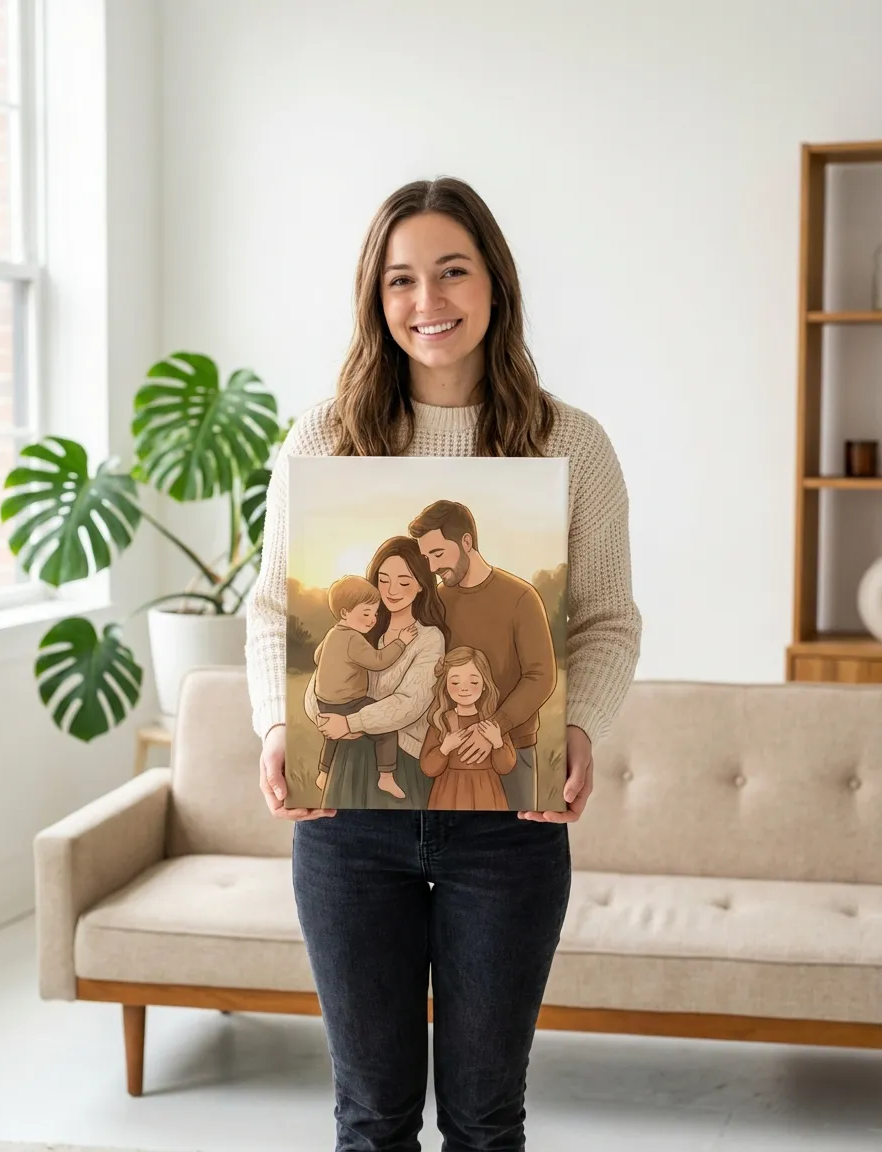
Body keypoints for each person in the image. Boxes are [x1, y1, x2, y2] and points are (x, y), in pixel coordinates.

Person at [246, 176, 642, 1152]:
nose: (428, 301)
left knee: (485, 1120)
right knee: (371, 1119)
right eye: (401, 280)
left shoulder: (570, 443)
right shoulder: (324, 437)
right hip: (348, 829)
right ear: (375, 298)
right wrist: (275, 724)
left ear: (495, 281)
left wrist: (577, 726)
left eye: (453, 272)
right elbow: (271, 610)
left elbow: (605, 620)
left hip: (507, 824)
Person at [409, 498, 555, 811]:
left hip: (512, 750)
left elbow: (541, 676)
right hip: (449, 757)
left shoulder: (521, 597)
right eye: (426, 557)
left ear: (466, 542)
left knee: (515, 839)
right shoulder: (437, 603)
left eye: (438, 553)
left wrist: (495, 728)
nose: (432, 567)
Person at [305, 536, 447, 809]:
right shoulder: (358, 630)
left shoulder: (429, 638)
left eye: (404, 582)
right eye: (383, 580)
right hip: (348, 754)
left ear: (421, 585)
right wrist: (326, 720)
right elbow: (318, 684)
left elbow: (409, 703)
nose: (392, 591)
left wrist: (349, 723)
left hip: (400, 758)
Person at [311, 574, 418, 795]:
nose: (372, 620)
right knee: (386, 727)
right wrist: (401, 642)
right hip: (349, 703)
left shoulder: (332, 633)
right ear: (345, 613)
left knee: (332, 737)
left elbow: (316, 657)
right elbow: (378, 661)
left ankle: (323, 773)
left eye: (375, 614)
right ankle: (386, 777)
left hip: (325, 703)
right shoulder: (353, 638)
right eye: (366, 613)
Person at [419, 645, 516, 811]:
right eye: (455, 682)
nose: (464, 688)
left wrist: (497, 742)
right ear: (445, 686)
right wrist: (445, 748)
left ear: (484, 684)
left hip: (486, 792)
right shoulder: (441, 722)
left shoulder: (491, 722)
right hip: (448, 793)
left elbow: (506, 767)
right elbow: (428, 768)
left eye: (474, 682)